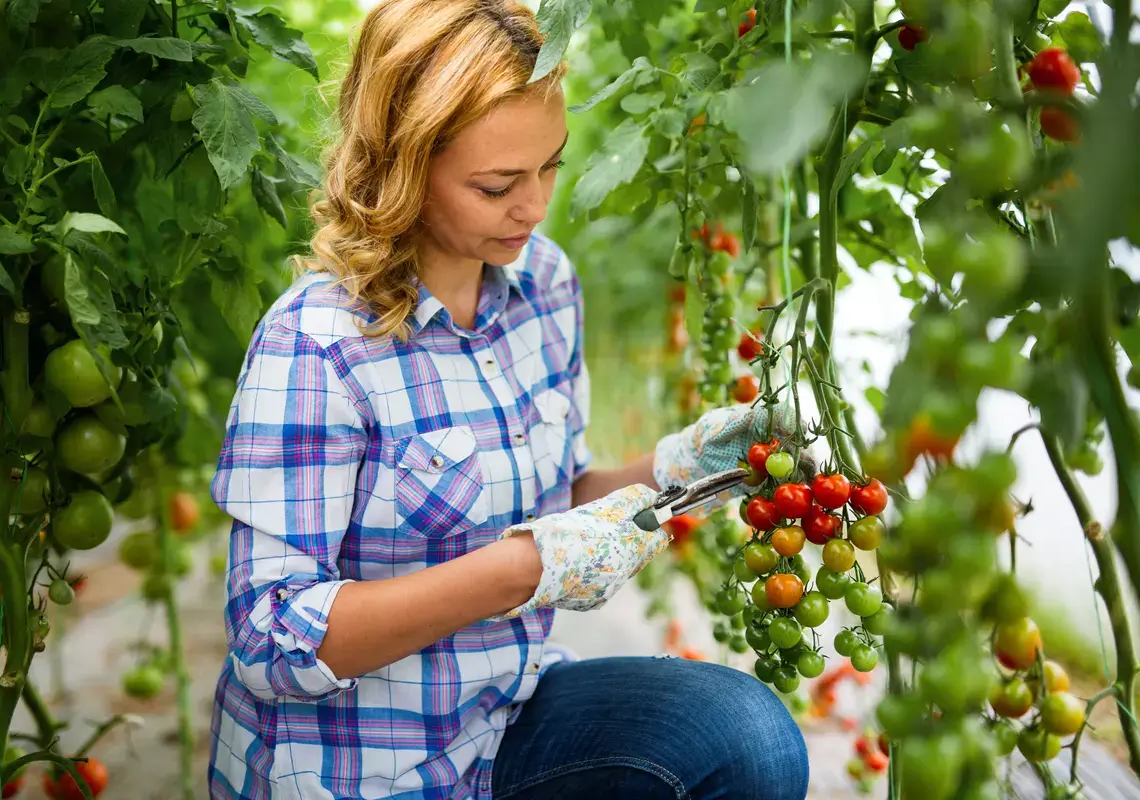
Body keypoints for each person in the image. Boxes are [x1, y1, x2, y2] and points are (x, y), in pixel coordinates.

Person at [207, 1, 811, 798]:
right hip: (363, 768)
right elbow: (269, 639)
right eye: (496, 186)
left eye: (549, 167)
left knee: (748, 740)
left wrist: (683, 467)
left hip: (500, 718)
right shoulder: (317, 343)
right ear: (404, 166)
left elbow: (558, 500)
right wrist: (522, 570)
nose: (534, 206)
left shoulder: (544, 284)